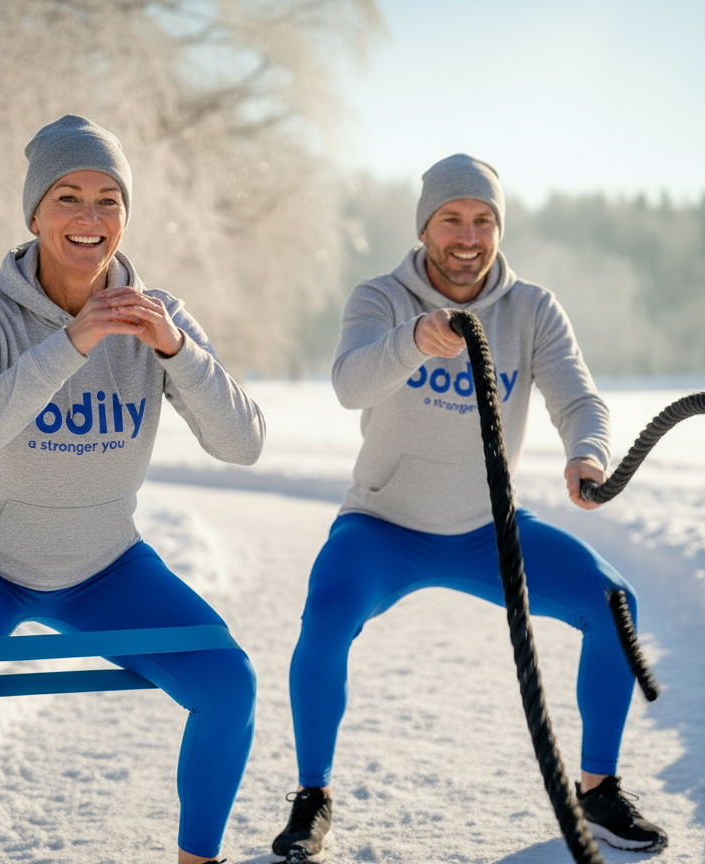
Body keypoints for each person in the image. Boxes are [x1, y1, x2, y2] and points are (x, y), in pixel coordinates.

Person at [0, 115, 263, 864]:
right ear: (34, 213)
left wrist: (177, 352)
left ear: (125, 215)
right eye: (68, 197)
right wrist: (73, 342)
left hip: (103, 566)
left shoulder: (160, 316)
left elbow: (242, 444)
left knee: (229, 686)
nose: (90, 219)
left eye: (108, 200)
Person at [271, 154, 667, 860]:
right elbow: (350, 384)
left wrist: (588, 453)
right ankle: (313, 796)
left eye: (483, 219)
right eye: (451, 218)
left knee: (615, 603)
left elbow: (579, 398)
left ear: (498, 228)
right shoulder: (380, 297)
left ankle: (597, 789)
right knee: (326, 615)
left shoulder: (532, 308)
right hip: (383, 525)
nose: (468, 234)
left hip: (491, 530)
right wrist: (411, 342)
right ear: (425, 226)